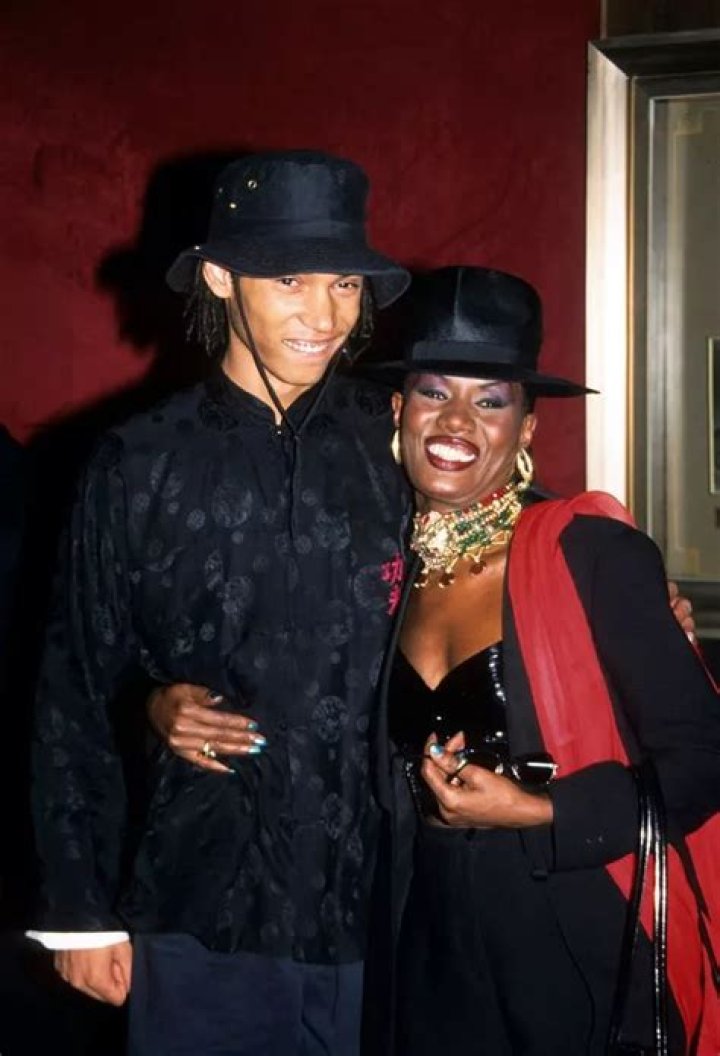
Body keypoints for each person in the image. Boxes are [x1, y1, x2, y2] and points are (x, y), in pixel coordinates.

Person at [29, 150, 411, 1056]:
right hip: (201, 900)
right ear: (219, 277)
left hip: (384, 902)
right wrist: (79, 911)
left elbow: (510, 544)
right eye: (290, 281)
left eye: (344, 284)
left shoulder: (395, 438)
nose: (325, 316)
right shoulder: (137, 461)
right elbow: (73, 682)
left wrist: (624, 589)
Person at [358, 266, 720, 1055]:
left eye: (490, 401)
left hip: (577, 950)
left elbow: (703, 762)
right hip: (429, 956)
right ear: (398, 410)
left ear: (525, 428)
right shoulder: (385, 565)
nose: (456, 420)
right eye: (433, 392)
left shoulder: (590, 553)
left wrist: (541, 810)